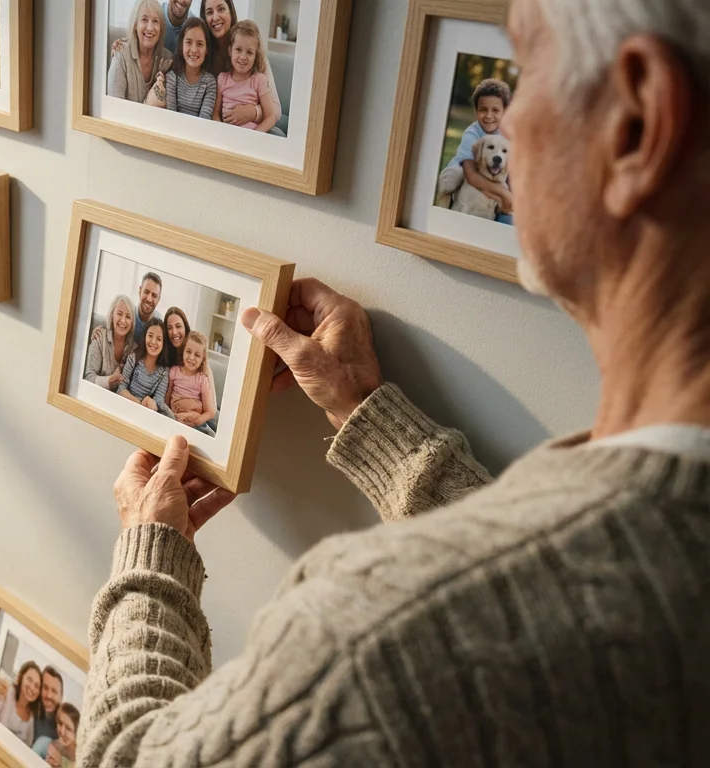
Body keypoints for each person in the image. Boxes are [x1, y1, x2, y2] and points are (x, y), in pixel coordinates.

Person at [80, 0, 710, 763]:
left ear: (637, 125)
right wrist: (365, 410)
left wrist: (151, 556)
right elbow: (558, 590)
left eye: (527, 65)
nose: (506, 123)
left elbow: (126, 758)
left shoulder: (372, 634)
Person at [436, 78, 515, 223]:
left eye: (496, 110)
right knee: (455, 176)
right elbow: (471, 175)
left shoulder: (506, 136)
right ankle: (445, 200)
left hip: (491, 175)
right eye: (483, 110)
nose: (489, 115)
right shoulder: (472, 133)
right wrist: (504, 194)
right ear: (476, 111)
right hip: (463, 170)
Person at [214, 20, 282, 132]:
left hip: (250, 137)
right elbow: (215, 114)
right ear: (230, 50)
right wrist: (220, 131)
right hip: (226, 136)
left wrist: (255, 136)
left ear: (256, 55)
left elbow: (271, 117)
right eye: (238, 50)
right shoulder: (222, 79)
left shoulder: (259, 80)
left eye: (249, 52)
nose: (243, 57)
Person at [106, 0, 173, 107]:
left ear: (161, 28)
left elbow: (169, 108)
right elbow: (114, 108)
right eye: (144, 20)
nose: (150, 28)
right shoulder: (121, 54)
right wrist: (148, 104)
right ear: (135, 24)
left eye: (155, 21)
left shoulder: (167, 59)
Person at [165, 19, 218, 120]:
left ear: (206, 49)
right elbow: (171, 118)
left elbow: (204, 121)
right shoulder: (172, 77)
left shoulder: (210, 82)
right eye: (189, 42)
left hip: (198, 133)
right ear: (181, 45)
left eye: (200, 44)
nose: (194, 50)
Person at [117, 324, 174, 417]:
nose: (153, 342)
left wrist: (152, 403)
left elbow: (159, 401)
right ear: (144, 337)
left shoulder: (164, 371)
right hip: (126, 404)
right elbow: (121, 388)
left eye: (159, 339)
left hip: (146, 412)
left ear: (164, 344)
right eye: (150, 336)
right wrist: (138, 402)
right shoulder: (133, 358)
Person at [167, 330, 217, 435]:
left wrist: (198, 420)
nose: (191, 358)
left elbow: (211, 411)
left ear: (202, 358)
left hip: (196, 424)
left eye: (197, 355)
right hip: (174, 420)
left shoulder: (202, 379)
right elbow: (166, 399)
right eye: (188, 352)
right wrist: (171, 415)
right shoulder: (174, 371)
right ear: (183, 351)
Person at [85, 295, 135, 391]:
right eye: (119, 314)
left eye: (128, 316)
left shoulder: (133, 349)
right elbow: (88, 377)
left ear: (132, 322)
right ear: (112, 315)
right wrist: (109, 380)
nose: (123, 320)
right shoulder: (99, 337)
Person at [0, 660, 41, 746]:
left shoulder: (31, 719)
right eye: (29, 680)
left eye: (37, 686)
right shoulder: (4, 693)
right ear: (21, 677)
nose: (32, 688)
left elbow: (26, 747)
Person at [33, 702, 79, 768]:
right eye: (60, 723)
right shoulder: (44, 744)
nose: (62, 732)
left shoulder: (81, 762)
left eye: (68, 728)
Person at [199, 0, 238, 74]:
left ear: (231, 12)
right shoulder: (201, 52)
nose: (215, 18)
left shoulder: (247, 45)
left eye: (221, 9)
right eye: (210, 12)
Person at [32, 666, 64, 743]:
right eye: (45, 688)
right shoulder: (28, 709)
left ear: (61, 697)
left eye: (54, 691)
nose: (48, 695)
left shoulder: (62, 730)